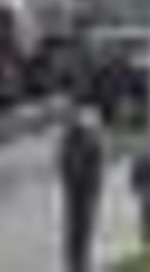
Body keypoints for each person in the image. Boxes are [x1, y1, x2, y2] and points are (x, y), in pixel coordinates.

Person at [57, 103, 105, 272]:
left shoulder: (91, 141)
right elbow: (66, 166)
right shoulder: (74, 141)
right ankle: (76, 261)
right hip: (77, 191)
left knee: (83, 226)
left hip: (85, 190)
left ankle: (80, 260)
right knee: (77, 226)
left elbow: (97, 167)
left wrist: (95, 187)